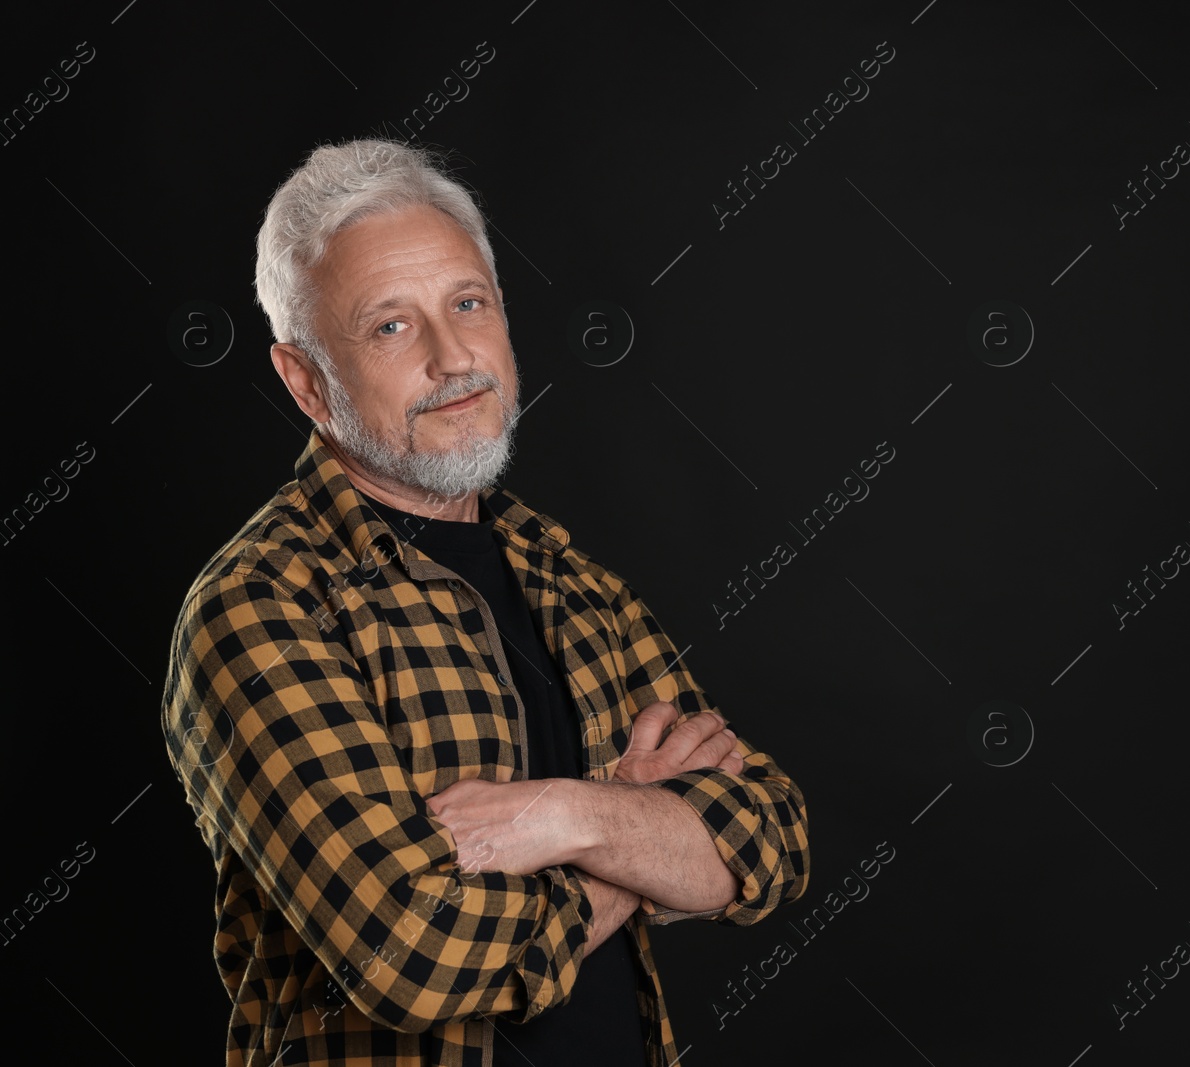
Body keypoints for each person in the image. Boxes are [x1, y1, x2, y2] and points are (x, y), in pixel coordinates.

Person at [160, 137, 810, 1067]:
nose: (451, 357)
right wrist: (641, 820)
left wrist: (566, 814)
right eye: (390, 326)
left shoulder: (564, 573)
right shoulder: (260, 606)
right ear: (306, 381)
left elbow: (769, 834)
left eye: (469, 304)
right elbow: (414, 954)